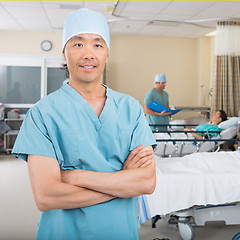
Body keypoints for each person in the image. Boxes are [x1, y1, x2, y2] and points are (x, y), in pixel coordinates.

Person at [12, 8, 157, 240]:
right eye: (78, 44)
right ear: (64, 53)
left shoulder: (130, 109)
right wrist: (122, 180)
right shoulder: (42, 114)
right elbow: (47, 196)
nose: (89, 54)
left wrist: (74, 176)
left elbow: (147, 182)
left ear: (107, 54)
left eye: (97, 45)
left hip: (120, 232)